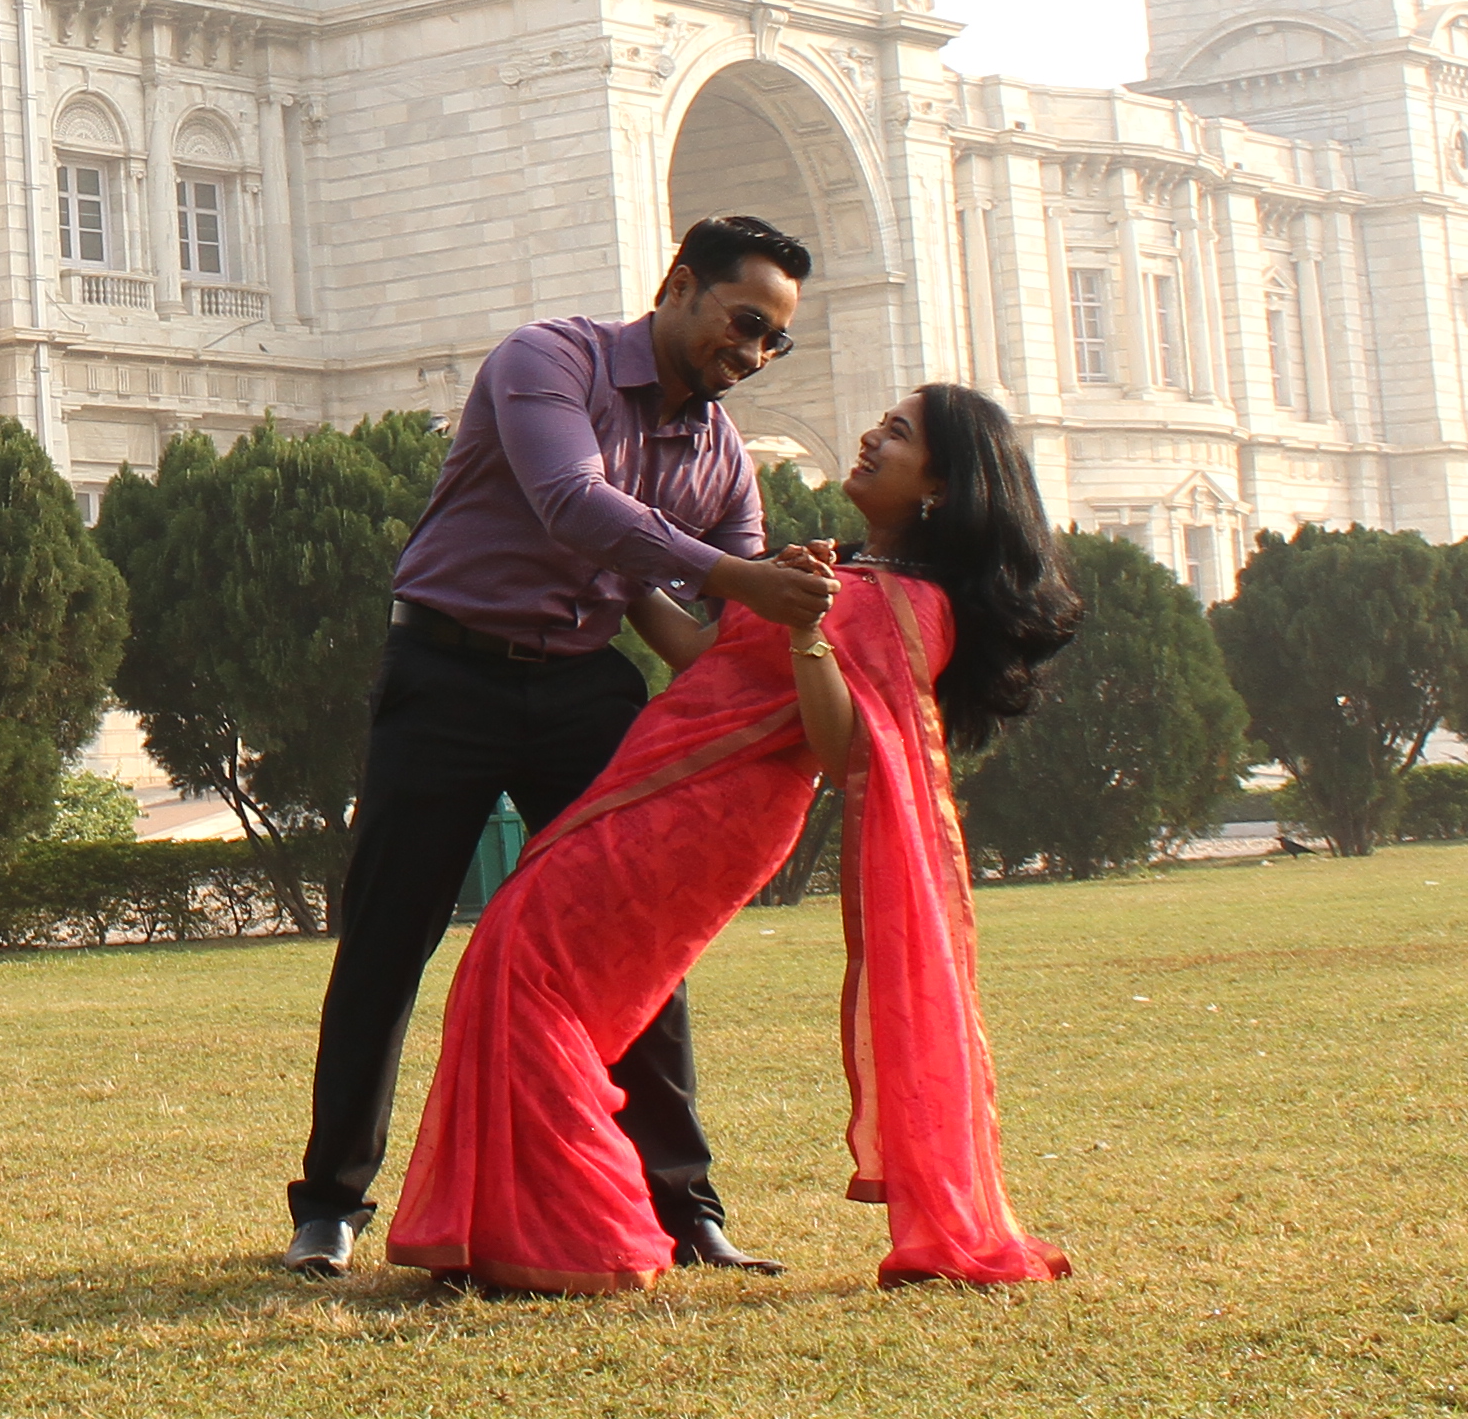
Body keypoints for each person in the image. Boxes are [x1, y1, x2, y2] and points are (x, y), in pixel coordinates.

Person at [382, 380, 1087, 1294]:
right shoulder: (844, 574)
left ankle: (577, 1238)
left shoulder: (914, 609)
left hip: (717, 808)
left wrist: (806, 635)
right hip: (662, 778)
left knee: (523, 963)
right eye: (881, 421)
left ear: (941, 487)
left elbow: (844, 751)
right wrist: (618, 558)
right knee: (518, 965)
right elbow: (703, 659)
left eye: (900, 434)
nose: (873, 437)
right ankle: (532, 1231)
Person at [282, 215, 846, 1279]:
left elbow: (720, 640)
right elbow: (570, 504)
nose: (754, 352)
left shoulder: (723, 458)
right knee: (389, 940)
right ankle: (331, 1207)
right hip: (447, 670)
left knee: (640, 939)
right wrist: (739, 583)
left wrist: (810, 609)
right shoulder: (549, 359)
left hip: (584, 685)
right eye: (745, 321)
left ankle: (687, 1211)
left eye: (776, 341)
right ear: (679, 284)